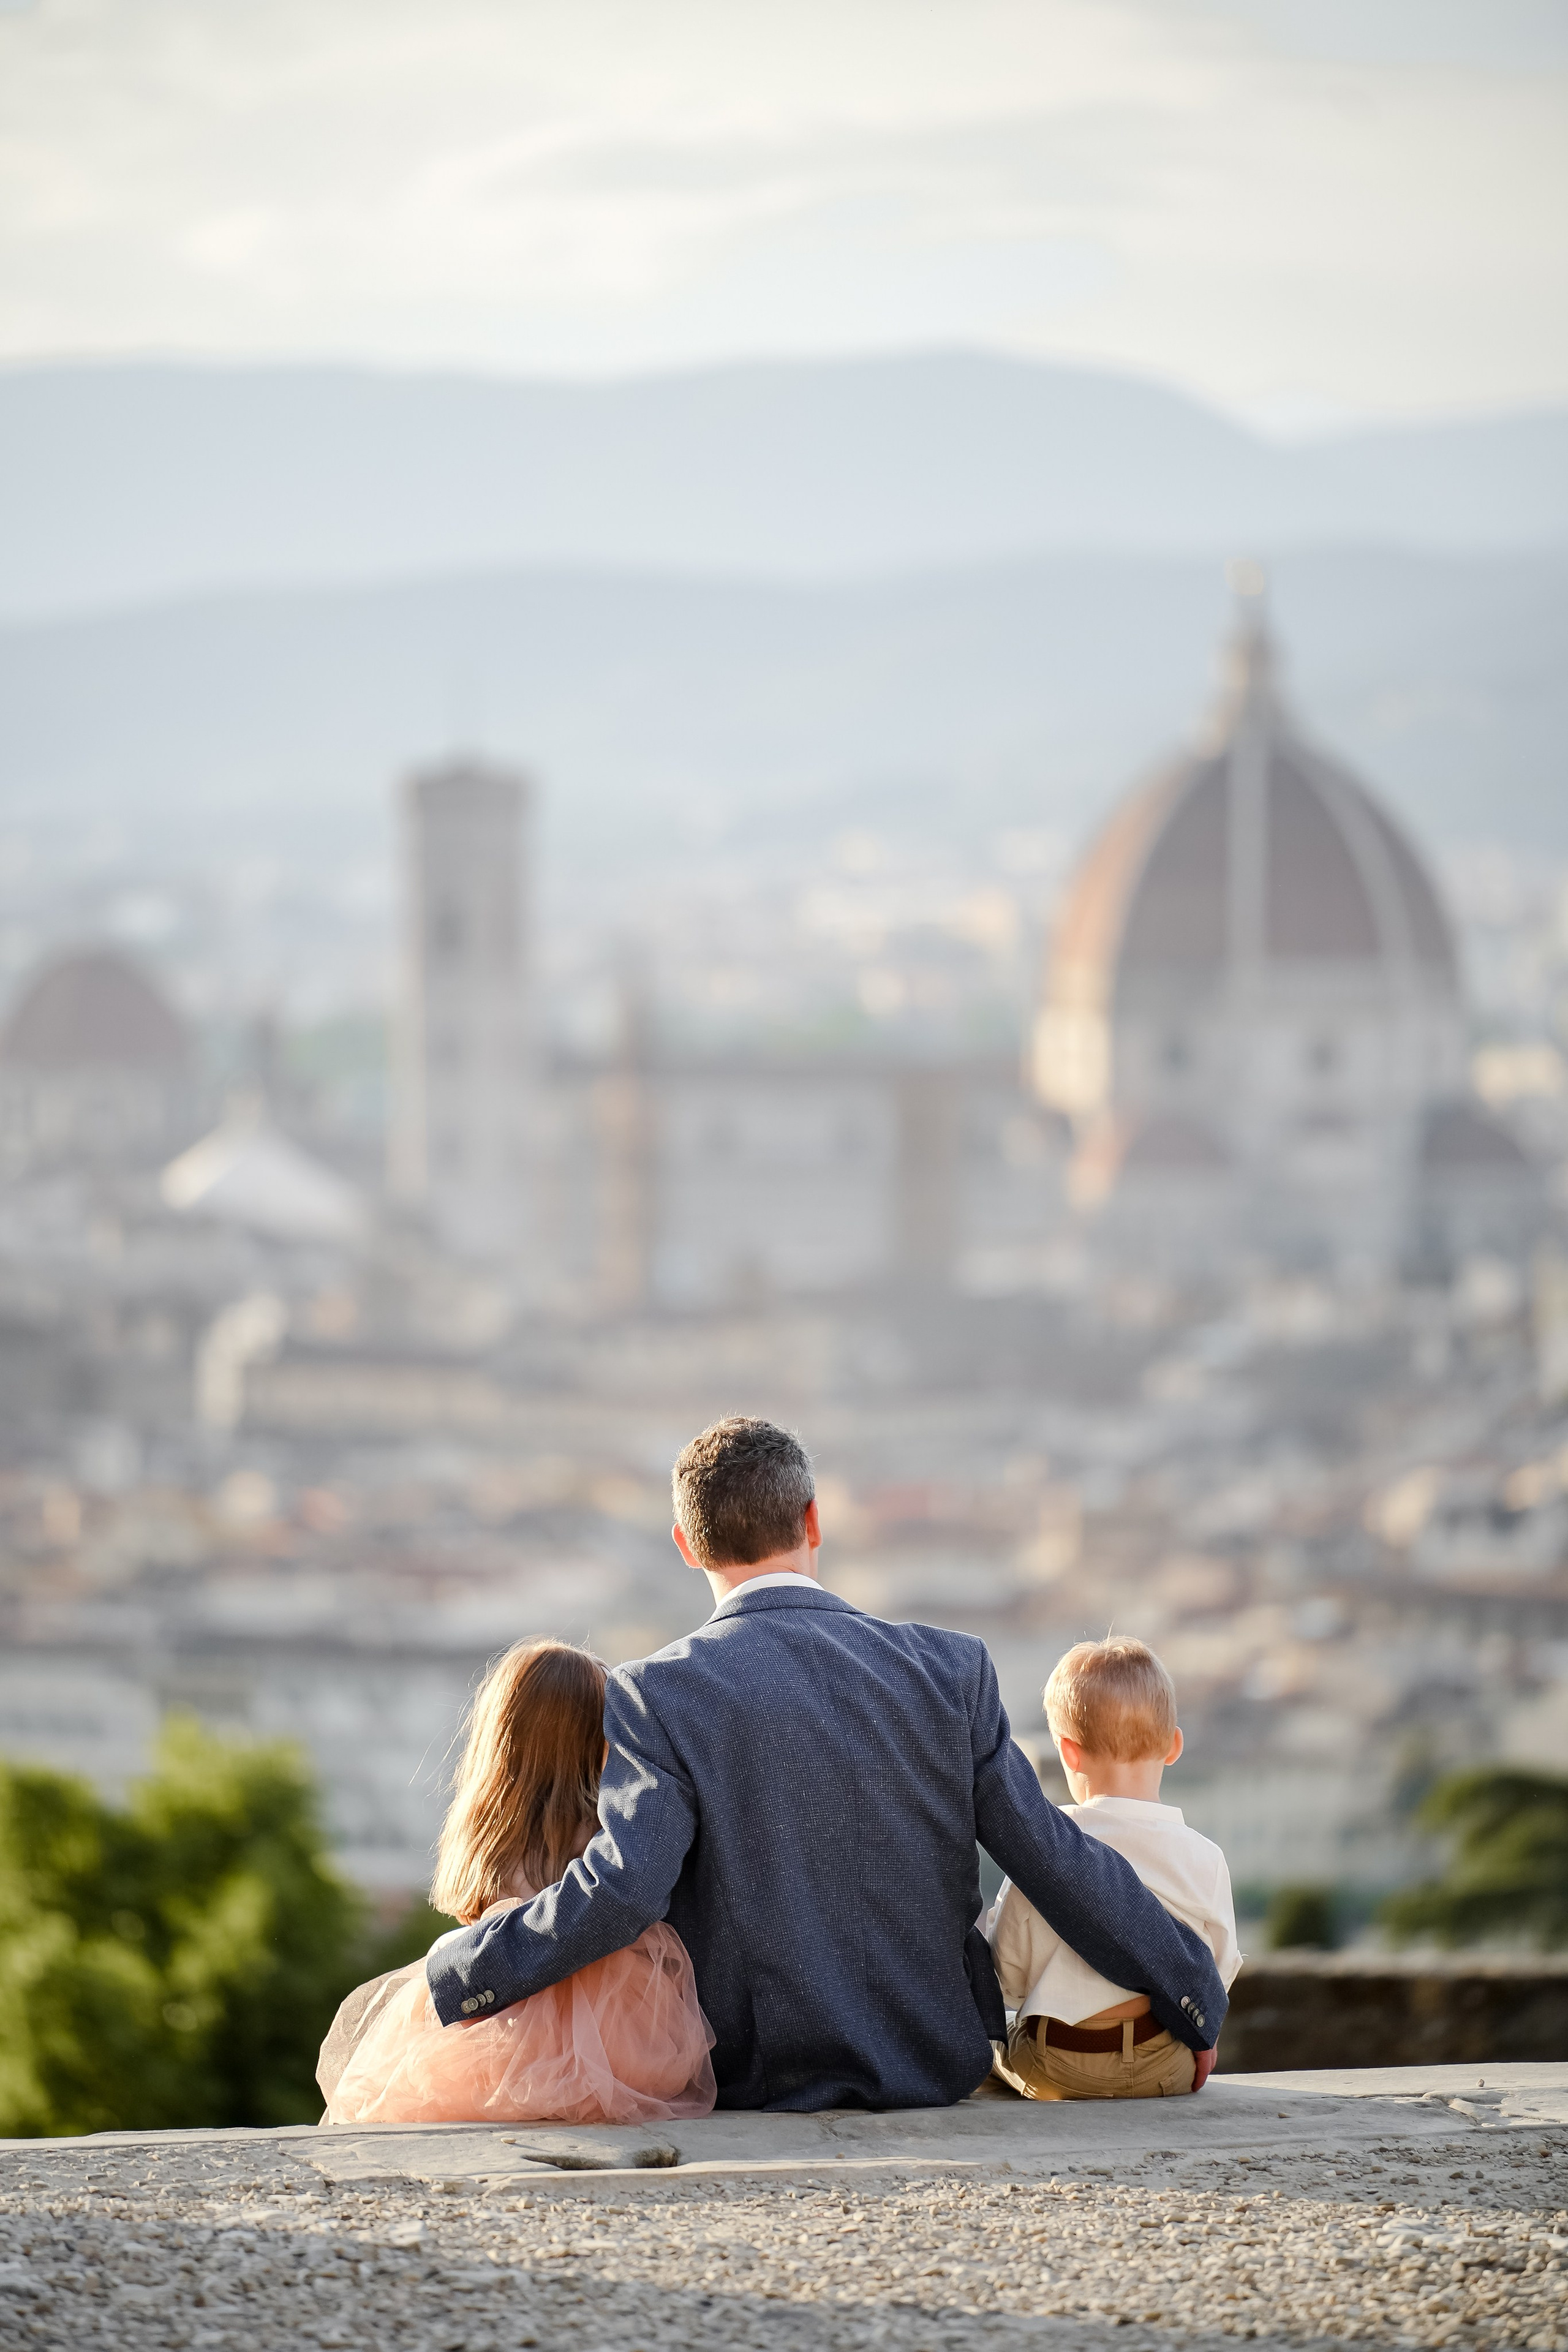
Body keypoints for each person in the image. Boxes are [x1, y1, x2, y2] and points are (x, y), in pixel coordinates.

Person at [426, 1418, 1229, 2110]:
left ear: (684, 1544)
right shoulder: (952, 1672)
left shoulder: (656, 1696)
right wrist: (1191, 1994)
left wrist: (470, 1968)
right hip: (938, 2063)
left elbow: (622, 1891)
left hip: (755, 2078)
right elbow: (1053, 1856)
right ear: (813, 1518)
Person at [318, 1640, 715, 2126]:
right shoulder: (611, 1825)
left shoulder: (488, 1825)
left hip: (497, 2024)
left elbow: (474, 1911)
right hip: (618, 2026)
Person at [989, 1637, 1242, 2100]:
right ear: (1174, 1746)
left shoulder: (1048, 1849)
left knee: (990, 2047)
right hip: (1163, 2068)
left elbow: (1007, 1977)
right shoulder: (1204, 1857)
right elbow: (1218, 1971)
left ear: (1068, 1752)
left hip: (1058, 2065)